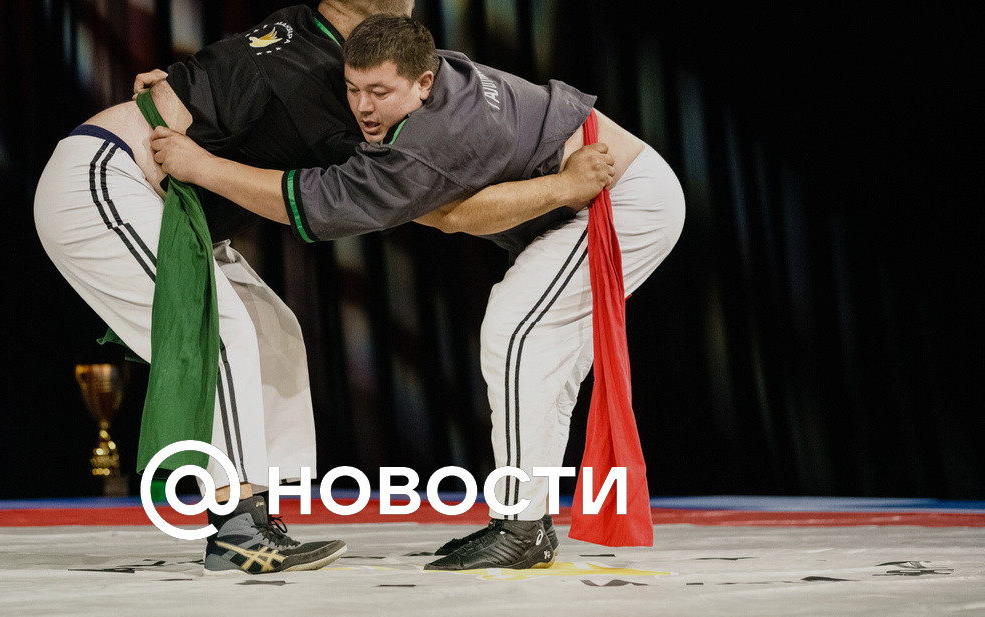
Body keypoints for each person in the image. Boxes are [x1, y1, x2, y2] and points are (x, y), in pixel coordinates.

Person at [34, 2, 615, 575]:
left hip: (174, 215)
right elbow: (190, 97)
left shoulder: (367, 66)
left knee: (271, 331)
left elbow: (406, 198)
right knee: (220, 329)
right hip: (102, 180)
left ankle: (259, 511)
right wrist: (161, 99)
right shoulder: (292, 49)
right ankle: (235, 526)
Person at [148, 14, 685, 571]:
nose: (363, 107)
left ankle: (522, 527)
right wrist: (183, 91)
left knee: (517, 329)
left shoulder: (434, 136)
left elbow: (409, 212)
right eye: (353, 89)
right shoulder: (426, 80)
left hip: (624, 200)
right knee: (539, 356)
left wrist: (204, 166)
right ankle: (529, 523)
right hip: (598, 192)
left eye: (379, 92)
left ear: (423, 85)